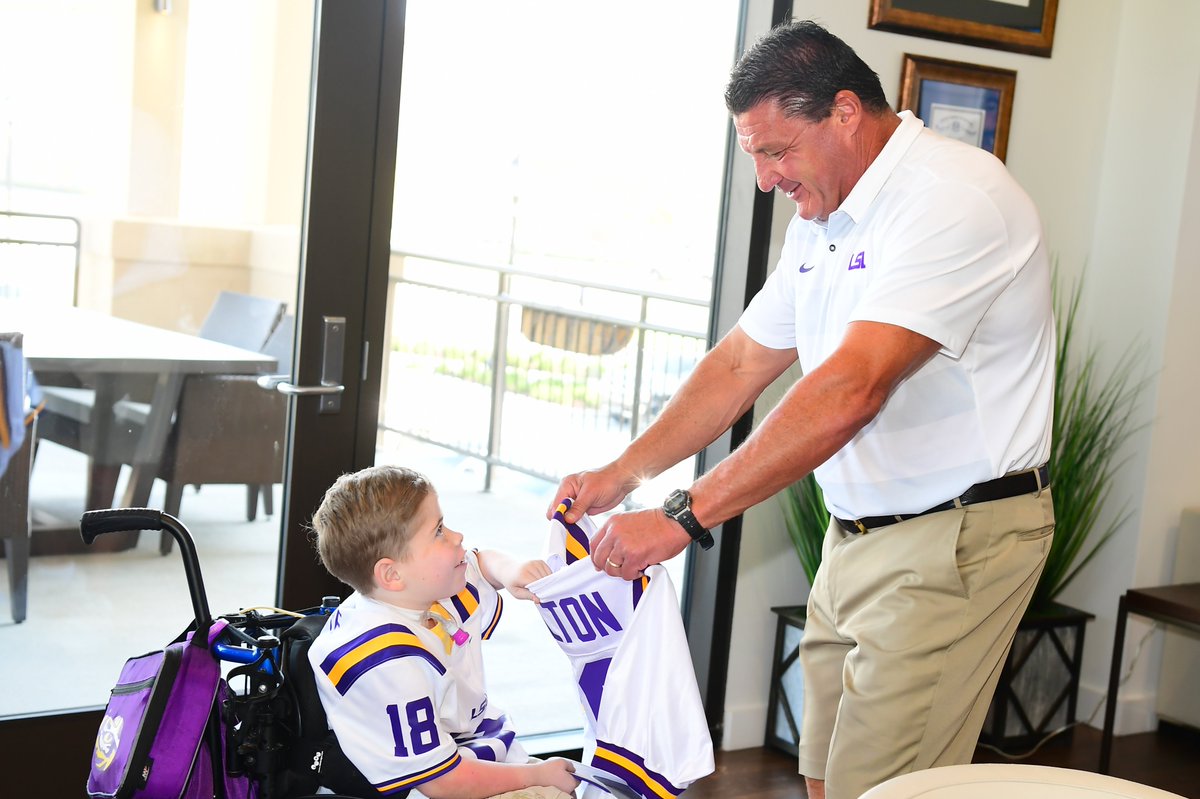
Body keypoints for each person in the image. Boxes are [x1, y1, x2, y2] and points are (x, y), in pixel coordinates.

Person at [551, 20, 1055, 799]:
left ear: (845, 112)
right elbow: (741, 363)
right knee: (820, 775)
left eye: (776, 151)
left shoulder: (953, 198)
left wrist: (682, 517)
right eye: (754, 155)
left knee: (880, 790)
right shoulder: (821, 220)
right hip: (853, 537)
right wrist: (622, 473)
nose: (765, 180)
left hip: (953, 538)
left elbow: (852, 390)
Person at [308, 464, 580, 799]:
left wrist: (512, 571)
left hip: (476, 753)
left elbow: (481, 563)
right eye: (438, 531)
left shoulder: (419, 593)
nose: (457, 536)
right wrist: (534, 775)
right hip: (438, 784)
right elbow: (442, 782)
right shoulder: (388, 664)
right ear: (392, 575)